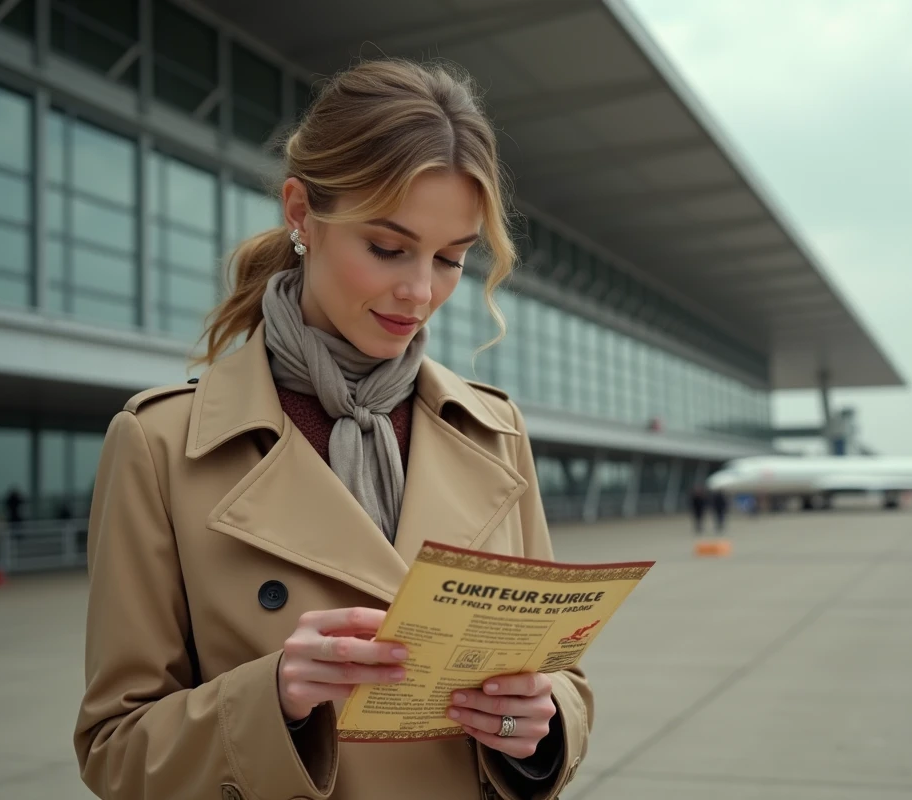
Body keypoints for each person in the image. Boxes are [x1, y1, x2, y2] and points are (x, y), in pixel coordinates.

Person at [73, 59, 590, 800]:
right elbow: (115, 749)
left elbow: (560, 678)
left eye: (452, 258)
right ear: (300, 213)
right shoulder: (160, 445)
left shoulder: (494, 429)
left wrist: (535, 723)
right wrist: (274, 702)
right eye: (387, 248)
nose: (420, 291)